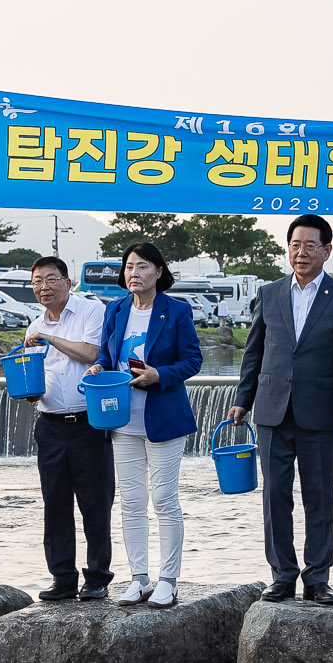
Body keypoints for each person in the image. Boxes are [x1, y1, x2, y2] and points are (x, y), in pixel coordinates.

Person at [230, 215, 333, 605]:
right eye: (294, 245)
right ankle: (282, 576)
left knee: (320, 497)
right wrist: (242, 398)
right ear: (287, 248)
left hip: (321, 412)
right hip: (271, 410)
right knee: (275, 496)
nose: (301, 253)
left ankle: (318, 578)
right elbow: (254, 351)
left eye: (310, 245)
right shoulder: (269, 293)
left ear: (326, 250)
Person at [98, 241, 204, 606]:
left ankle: (168, 579)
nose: (134, 273)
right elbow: (105, 352)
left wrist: (159, 374)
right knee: (130, 501)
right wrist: (99, 365)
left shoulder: (175, 311)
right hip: (122, 418)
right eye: (129, 267)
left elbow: (193, 360)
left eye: (143, 266)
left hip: (163, 418)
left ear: (159, 272)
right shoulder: (115, 310)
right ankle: (139, 578)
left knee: (163, 498)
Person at [18, 253, 114, 602]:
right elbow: (33, 377)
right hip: (50, 425)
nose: (43, 287)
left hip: (89, 423)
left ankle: (98, 577)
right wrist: (27, 389)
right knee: (55, 504)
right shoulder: (34, 326)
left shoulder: (90, 311)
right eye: (37, 282)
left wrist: (49, 338)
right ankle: (62, 577)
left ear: (67, 282)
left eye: (50, 279)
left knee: (95, 503)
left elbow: (90, 353)